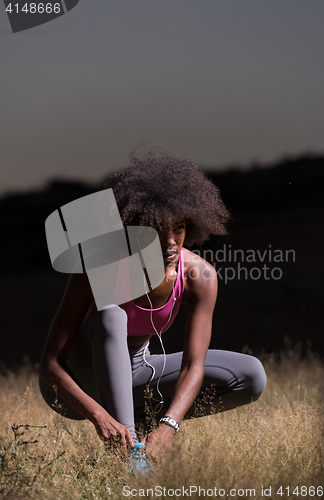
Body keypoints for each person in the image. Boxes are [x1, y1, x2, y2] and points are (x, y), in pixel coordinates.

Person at [39, 146, 266, 459]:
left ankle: (140, 429)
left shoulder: (200, 276)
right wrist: (99, 417)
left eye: (179, 227)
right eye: (155, 230)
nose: (170, 242)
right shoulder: (98, 269)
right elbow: (50, 366)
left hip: (136, 375)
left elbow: (193, 365)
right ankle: (130, 455)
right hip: (78, 385)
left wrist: (168, 425)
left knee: (251, 375)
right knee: (111, 315)